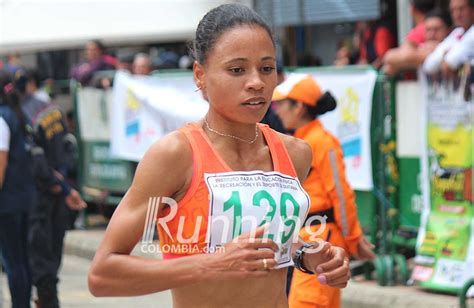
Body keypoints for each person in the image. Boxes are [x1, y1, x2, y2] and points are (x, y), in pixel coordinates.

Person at [88, 4, 351, 307]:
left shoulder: (295, 153)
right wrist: (211, 264)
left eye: (267, 68)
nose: (256, 82)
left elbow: (270, 240)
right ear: (200, 75)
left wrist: (308, 254)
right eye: (237, 69)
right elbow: (102, 275)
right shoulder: (176, 154)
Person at [273, 74, 376, 308]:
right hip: (311, 236)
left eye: (281, 104)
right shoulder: (304, 140)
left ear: (298, 107)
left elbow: (341, 196)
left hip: (320, 236)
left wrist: (353, 239)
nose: (277, 111)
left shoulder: (320, 141)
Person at [13, 68, 87, 308]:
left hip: (40, 194)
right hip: (56, 191)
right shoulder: (52, 109)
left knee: (40, 255)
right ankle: (47, 299)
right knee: (53, 250)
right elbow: (68, 146)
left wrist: (56, 184)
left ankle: (47, 301)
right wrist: (64, 182)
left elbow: (36, 160)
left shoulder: (22, 114)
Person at [0, 70, 36, 308]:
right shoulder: (17, 113)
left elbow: (1, 163)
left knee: (13, 261)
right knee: (22, 259)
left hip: (8, 201)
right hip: (23, 197)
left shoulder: (2, 117)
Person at [423, 0, 474, 74]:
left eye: (461, 9)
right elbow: (428, 66)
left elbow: (448, 65)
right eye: (453, 10)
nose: (457, 15)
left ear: (472, 10)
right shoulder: (457, 32)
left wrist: (446, 52)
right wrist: (445, 53)